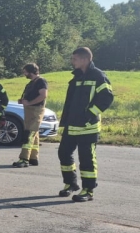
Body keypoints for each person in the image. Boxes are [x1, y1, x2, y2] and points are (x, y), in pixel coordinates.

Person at [58, 47, 113, 202]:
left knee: (86, 158)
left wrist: (89, 115)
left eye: (74, 59)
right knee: (63, 153)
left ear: (85, 59)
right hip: (72, 125)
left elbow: (106, 98)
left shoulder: (98, 76)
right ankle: (71, 183)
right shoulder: (77, 77)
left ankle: (88, 190)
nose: (72, 61)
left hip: (88, 127)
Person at [14, 63, 48, 167]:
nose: (24, 74)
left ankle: (24, 159)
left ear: (31, 71)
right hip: (29, 110)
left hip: (36, 110)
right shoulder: (31, 83)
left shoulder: (41, 81)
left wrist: (29, 102)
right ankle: (33, 158)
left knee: (29, 134)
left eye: (25, 72)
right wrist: (23, 100)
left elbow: (43, 95)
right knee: (35, 134)